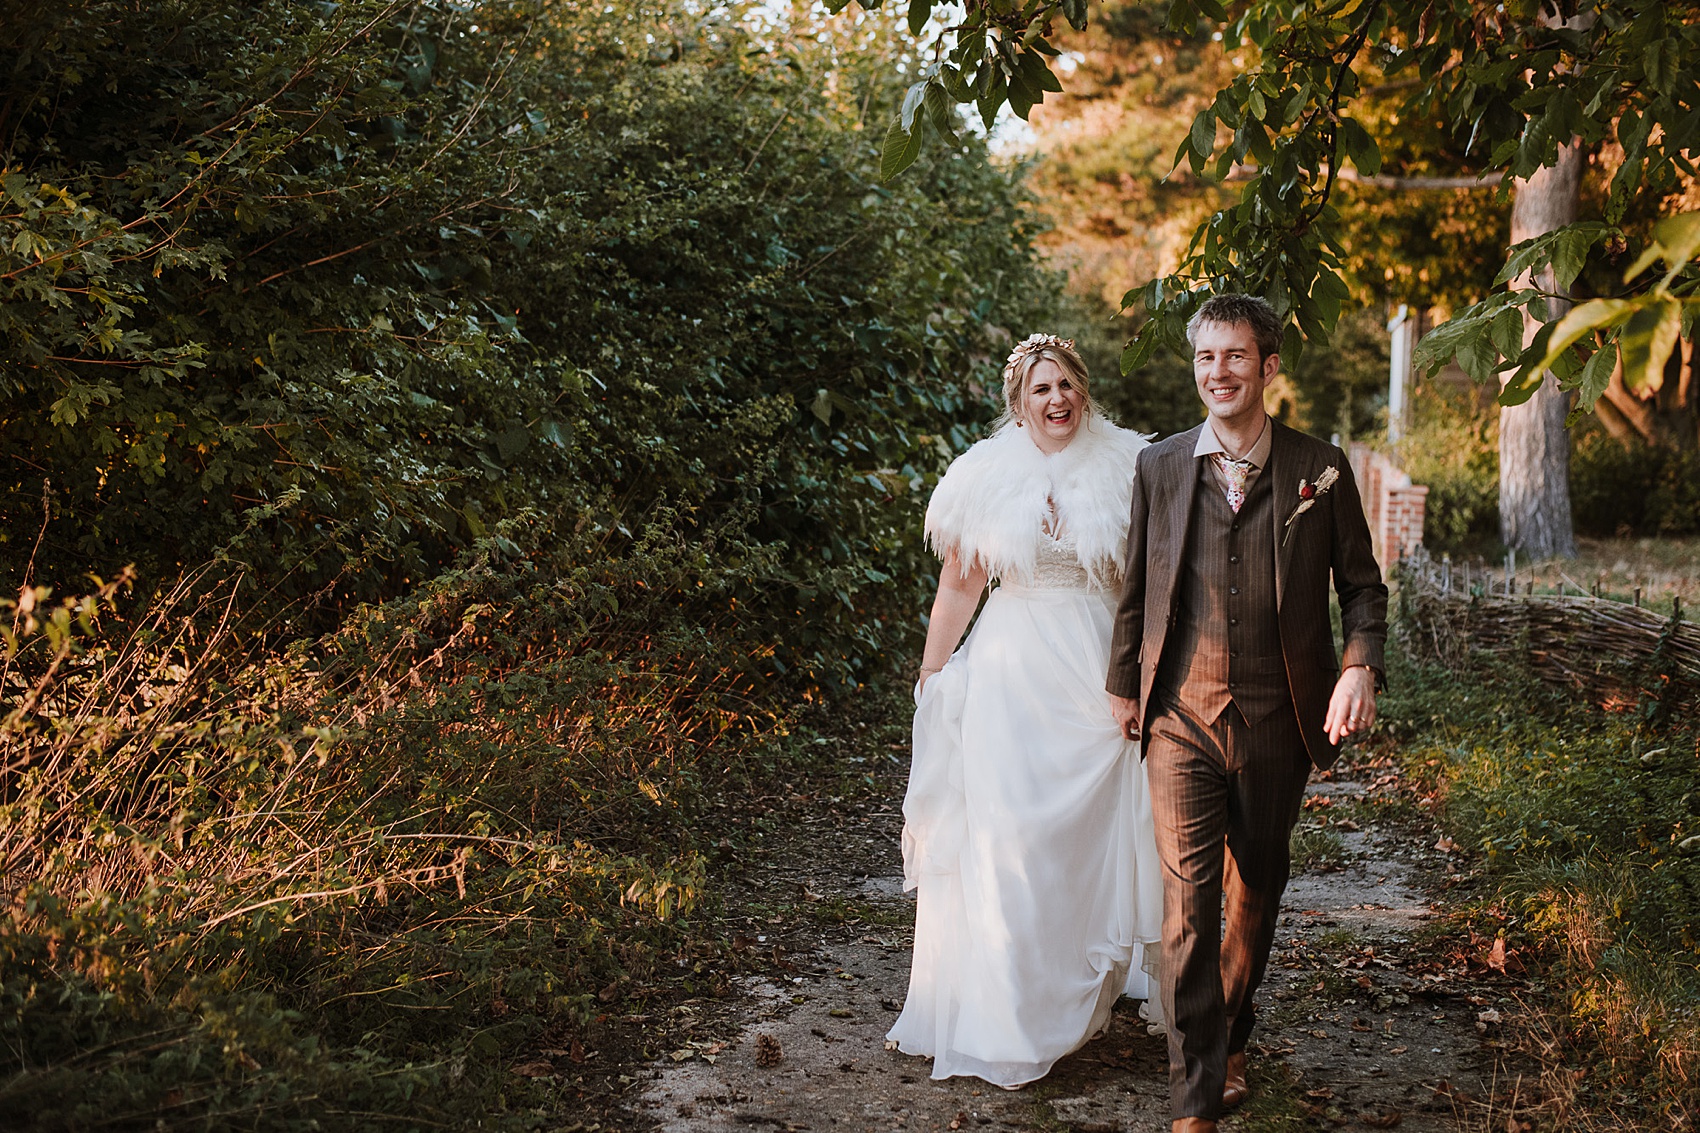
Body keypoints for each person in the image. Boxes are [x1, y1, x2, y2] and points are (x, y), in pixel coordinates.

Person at [1106, 294, 1389, 1133]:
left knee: (1257, 879)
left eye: (1234, 357)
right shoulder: (1160, 466)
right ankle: (1195, 1097)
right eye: (1204, 358)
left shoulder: (1321, 467)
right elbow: (1137, 589)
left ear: (1268, 366)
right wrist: (1126, 682)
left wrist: (1358, 664)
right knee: (1187, 905)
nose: (1217, 373)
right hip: (1180, 715)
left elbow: (1363, 587)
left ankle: (1232, 1027)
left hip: (1278, 715)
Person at [886, 333, 1165, 1090]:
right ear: (1019, 402)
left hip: (1095, 674)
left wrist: (1143, 672)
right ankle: (1009, 1015)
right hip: (1013, 675)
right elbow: (959, 587)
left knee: (1081, 840)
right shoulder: (985, 475)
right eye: (1041, 389)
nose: (1057, 400)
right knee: (1009, 836)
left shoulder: (1129, 467)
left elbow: (1150, 584)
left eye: (1067, 384)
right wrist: (932, 669)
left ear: (1084, 390)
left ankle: (1079, 991)